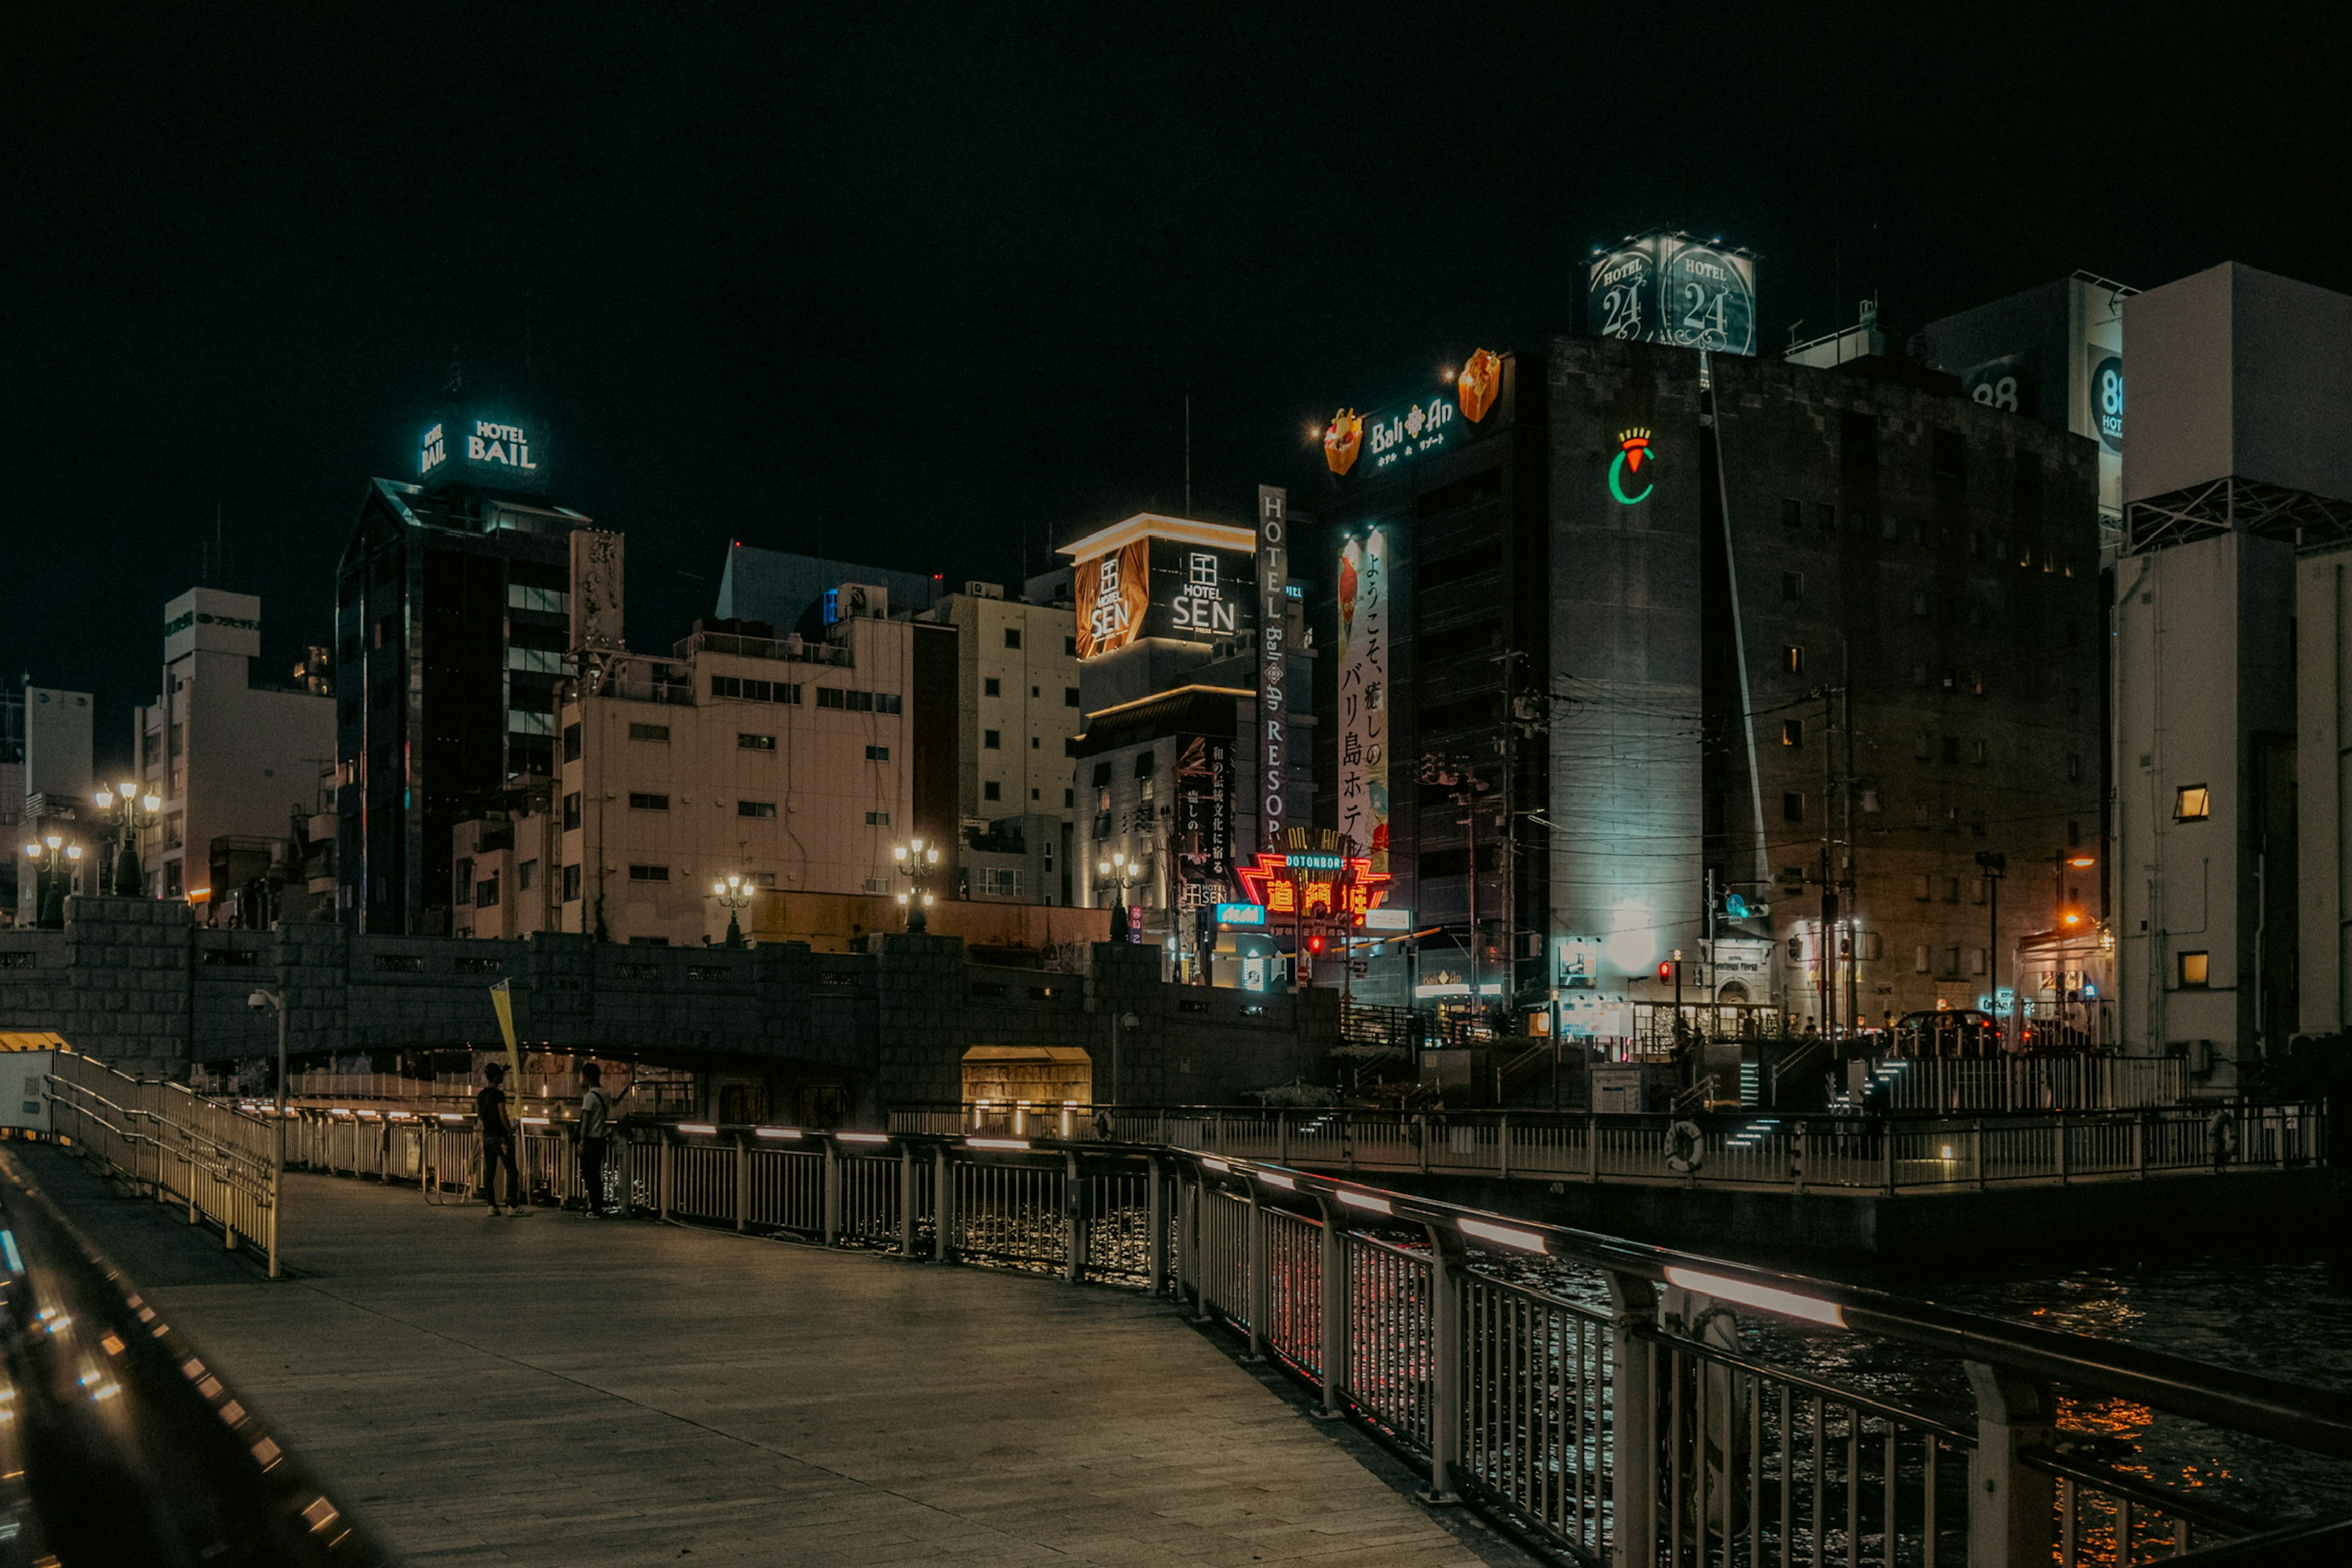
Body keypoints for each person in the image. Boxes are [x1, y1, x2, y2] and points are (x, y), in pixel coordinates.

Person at [477, 1062, 527, 1215]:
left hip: (488, 1137)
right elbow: (503, 1115)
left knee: (490, 1171)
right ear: (498, 1077)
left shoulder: (482, 1095)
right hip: (500, 1137)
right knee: (512, 1170)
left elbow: (480, 1114)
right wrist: (509, 1131)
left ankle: (491, 1205)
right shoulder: (499, 1095)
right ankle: (513, 1206)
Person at [578, 1061, 616, 1216]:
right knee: (596, 1173)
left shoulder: (589, 1097)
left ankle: (595, 1208)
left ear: (587, 1078)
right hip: (601, 1138)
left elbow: (585, 1121)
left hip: (590, 1139)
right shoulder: (606, 1095)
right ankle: (597, 1206)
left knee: (589, 1174)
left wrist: (582, 1142)